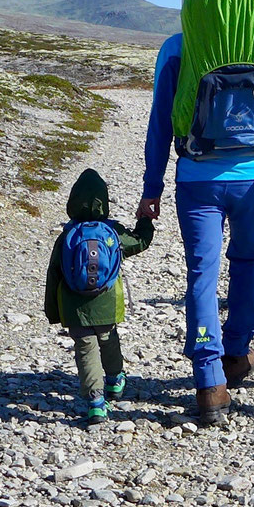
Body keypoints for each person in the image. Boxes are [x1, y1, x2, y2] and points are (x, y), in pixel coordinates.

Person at [139, 0, 254, 426]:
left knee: (201, 276)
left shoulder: (175, 47)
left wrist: (152, 188)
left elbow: (159, 125)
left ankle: (209, 382)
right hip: (253, 177)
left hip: (196, 180)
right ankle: (238, 350)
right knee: (247, 261)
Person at [44, 168, 154, 425]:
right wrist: (145, 220)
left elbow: (53, 275)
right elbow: (140, 241)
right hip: (107, 303)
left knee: (86, 349)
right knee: (108, 338)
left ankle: (95, 403)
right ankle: (115, 381)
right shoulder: (112, 232)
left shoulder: (67, 237)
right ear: (104, 202)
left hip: (75, 308)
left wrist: (53, 311)